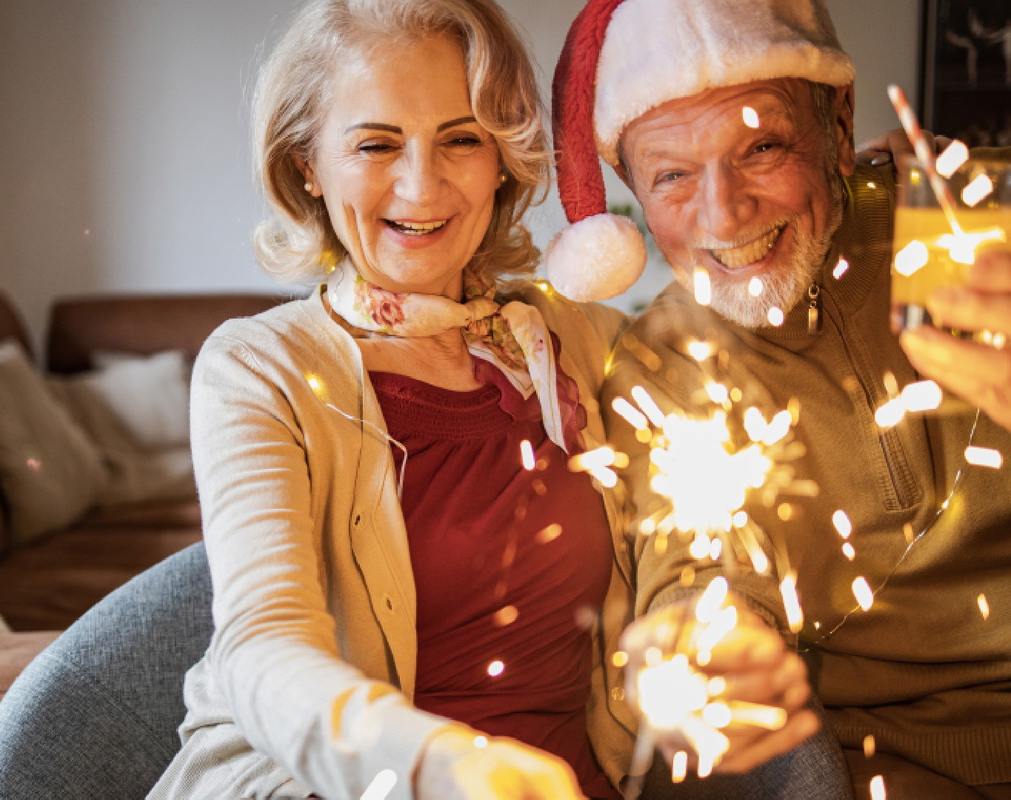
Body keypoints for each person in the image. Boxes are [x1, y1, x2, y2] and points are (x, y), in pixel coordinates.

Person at [146, 1, 655, 797]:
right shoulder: (258, 369)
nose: (423, 185)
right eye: (376, 144)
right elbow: (261, 645)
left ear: (502, 158)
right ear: (306, 162)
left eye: (461, 138)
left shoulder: (587, 344)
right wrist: (435, 768)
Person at [546, 0, 1011, 796]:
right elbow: (693, 570)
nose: (724, 215)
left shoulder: (971, 228)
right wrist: (703, 635)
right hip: (875, 774)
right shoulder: (664, 360)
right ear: (632, 196)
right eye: (673, 177)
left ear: (837, 122)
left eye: (761, 148)